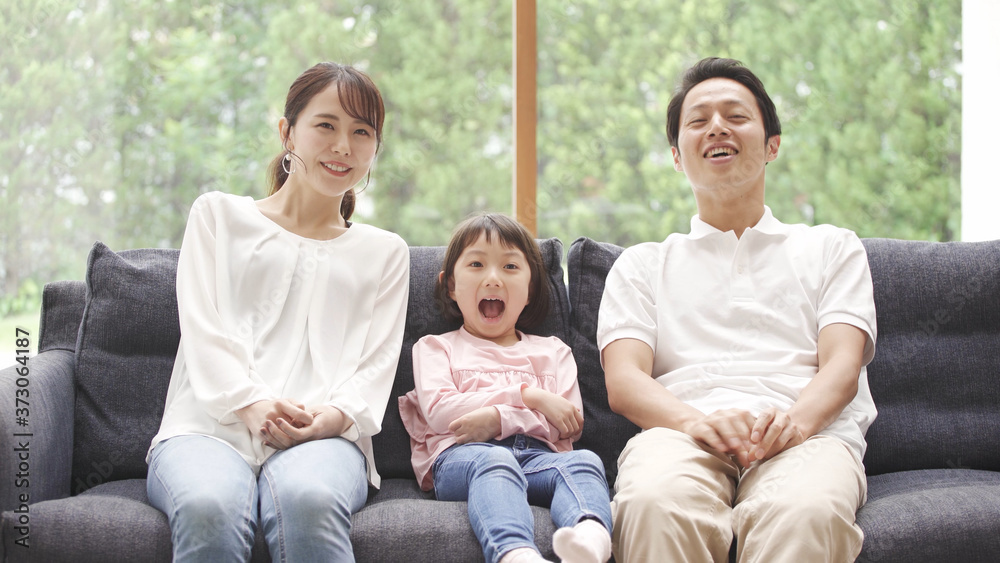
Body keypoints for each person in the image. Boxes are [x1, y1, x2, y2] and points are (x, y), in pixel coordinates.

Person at [599, 57, 877, 563]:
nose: (717, 128)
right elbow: (624, 380)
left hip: (806, 437)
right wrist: (694, 423)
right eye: (698, 120)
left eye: (736, 116)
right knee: (651, 502)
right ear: (677, 157)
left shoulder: (832, 248)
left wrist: (793, 425)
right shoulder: (641, 265)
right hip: (680, 437)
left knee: (806, 511)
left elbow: (843, 364)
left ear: (772, 145)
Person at [146, 62, 409, 562]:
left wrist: (332, 419)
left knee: (308, 499)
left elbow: (377, 363)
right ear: (287, 132)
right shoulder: (217, 216)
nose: (343, 146)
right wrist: (252, 405)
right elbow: (203, 330)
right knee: (208, 505)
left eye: (362, 132)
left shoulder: (385, 252)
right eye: (326, 125)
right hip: (208, 427)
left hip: (325, 436)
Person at [399, 213, 613, 563]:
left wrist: (496, 419)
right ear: (450, 285)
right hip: (463, 459)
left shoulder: (554, 352)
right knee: (495, 458)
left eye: (510, 267)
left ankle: (590, 540)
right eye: (476, 264)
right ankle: (515, 553)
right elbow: (441, 414)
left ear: (530, 290)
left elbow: (568, 424)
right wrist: (528, 397)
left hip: (539, 459)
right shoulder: (436, 348)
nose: (493, 278)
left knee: (584, 461)